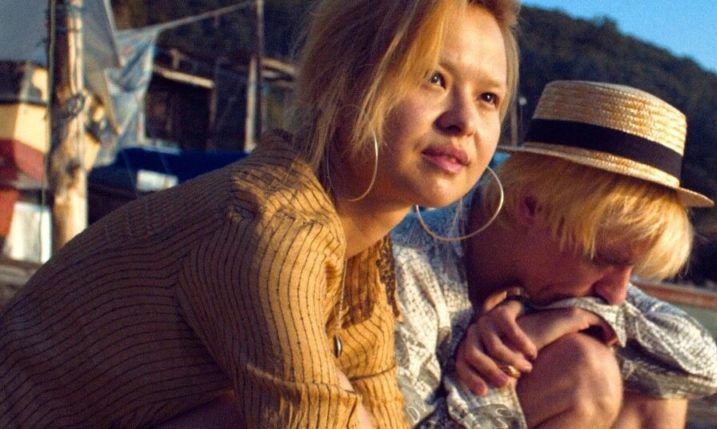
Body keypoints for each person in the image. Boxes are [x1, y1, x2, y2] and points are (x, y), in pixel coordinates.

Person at [0, 0, 520, 427]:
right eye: (433, 78)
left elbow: (381, 413)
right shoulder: (269, 226)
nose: (464, 121)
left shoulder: (361, 259)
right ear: (344, 82)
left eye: (488, 97)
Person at [392, 80, 717, 428]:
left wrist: (544, 316)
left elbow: (702, 367)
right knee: (586, 372)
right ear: (532, 206)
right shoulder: (408, 266)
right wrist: (493, 371)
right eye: (601, 260)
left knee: (658, 392)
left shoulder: (564, 269)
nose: (616, 294)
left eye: (631, 269)